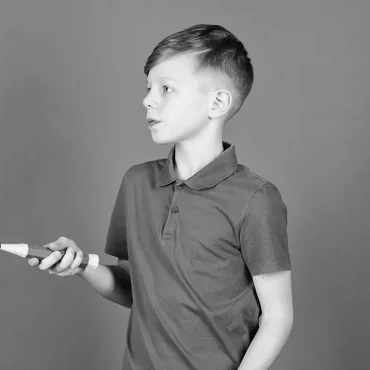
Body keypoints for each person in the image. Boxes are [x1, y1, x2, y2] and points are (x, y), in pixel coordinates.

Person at [28, 24, 293, 370]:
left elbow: (277, 318)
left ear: (217, 102)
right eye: (149, 87)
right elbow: (133, 287)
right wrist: (82, 266)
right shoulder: (136, 182)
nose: (148, 99)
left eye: (166, 88)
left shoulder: (257, 199)